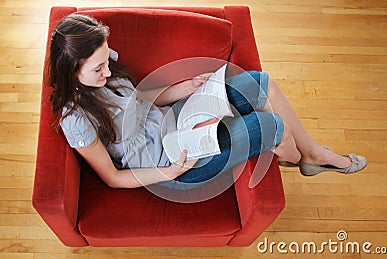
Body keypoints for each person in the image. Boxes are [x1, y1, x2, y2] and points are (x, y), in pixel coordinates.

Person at [49, 14, 367, 189]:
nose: (108, 69)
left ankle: (311, 154)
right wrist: (171, 173)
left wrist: (184, 87)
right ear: (71, 70)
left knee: (261, 84)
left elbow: (140, 98)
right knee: (270, 126)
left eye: (107, 61)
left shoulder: (99, 66)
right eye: (99, 68)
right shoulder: (75, 119)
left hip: (177, 119)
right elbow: (113, 178)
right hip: (176, 162)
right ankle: (302, 157)